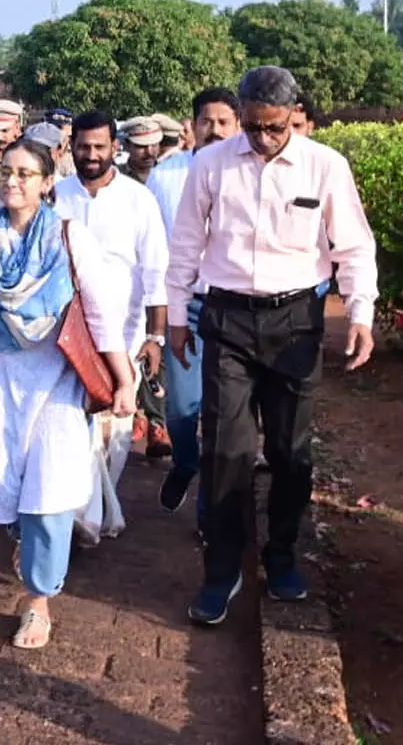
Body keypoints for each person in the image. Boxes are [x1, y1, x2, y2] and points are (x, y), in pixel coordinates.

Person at [168, 66, 377, 625]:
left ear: (292, 115)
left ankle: (281, 556)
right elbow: (186, 241)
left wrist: (360, 312)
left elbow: (354, 246)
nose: (263, 138)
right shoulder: (210, 164)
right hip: (228, 319)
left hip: (296, 323)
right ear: (240, 114)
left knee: (289, 451)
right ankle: (222, 571)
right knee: (225, 452)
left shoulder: (324, 165)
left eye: (275, 128)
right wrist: (176, 316)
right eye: (253, 127)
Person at [0, 139, 135, 650]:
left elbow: (101, 315)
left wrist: (123, 380)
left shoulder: (69, 238)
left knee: (49, 494)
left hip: (56, 384)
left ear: (48, 182)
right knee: (3, 488)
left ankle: (37, 600)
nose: (13, 181)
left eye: (26, 173)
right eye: (7, 171)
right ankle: (24, 541)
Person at [54, 112, 169, 545]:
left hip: (125, 330)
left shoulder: (139, 200)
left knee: (115, 429)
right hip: (66, 331)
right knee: (72, 420)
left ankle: (99, 509)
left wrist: (155, 337)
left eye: (99, 147)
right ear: (71, 148)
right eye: (83, 147)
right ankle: (83, 516)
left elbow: (156, 273)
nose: (91, 154)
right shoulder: (56, 195)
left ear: (114, 147)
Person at [146, 87, 241, 520]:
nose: (215, 129)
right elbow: (155, 248)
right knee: (183, 406)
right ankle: (186, 462)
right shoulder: (166, 176)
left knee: (224, 413)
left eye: (223, 122)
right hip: (185, 304)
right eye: (207, 121)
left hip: (235, 307)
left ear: (237, 125)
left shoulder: (247, 173)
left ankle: (210, 513)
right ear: (192, 126)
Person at [119, 117, 163, 184]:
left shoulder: (169, 173)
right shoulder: (116, 176)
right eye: (141, 146)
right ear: (126, 146)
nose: (149, 152)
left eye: (154, 145)